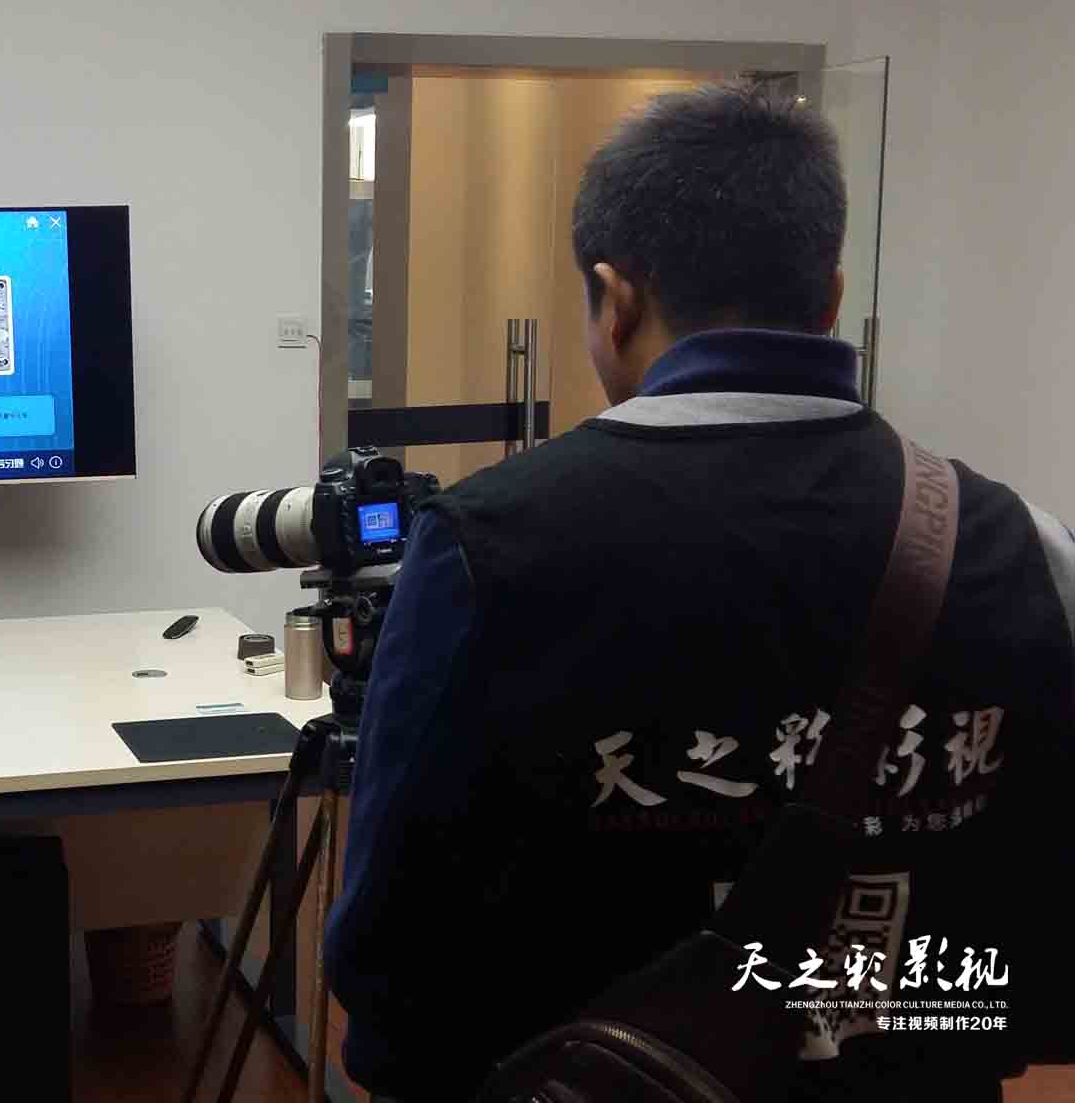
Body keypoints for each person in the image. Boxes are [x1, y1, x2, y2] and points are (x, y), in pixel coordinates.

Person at [325, 85, 1075, 1101]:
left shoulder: (485, 544)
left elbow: (396, 931)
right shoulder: (1023, 543)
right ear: (829, 294)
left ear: (614, 298)